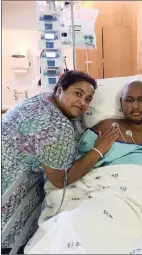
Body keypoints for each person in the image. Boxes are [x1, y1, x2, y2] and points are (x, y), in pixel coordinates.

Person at [1, 70, 120, 251]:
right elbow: (60, 180)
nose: (83, 102)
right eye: (77, 93)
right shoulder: (56, 126)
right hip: (7, 205)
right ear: (59, 90)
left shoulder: (42, 99)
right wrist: (98, 150)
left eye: (88, 99)